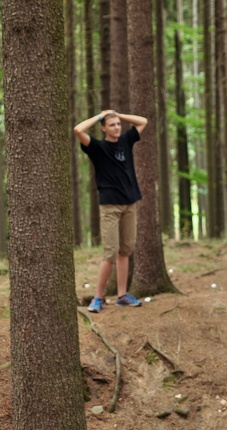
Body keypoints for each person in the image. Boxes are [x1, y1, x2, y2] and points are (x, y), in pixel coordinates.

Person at [74, 109, 148, 312]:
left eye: (118, 124)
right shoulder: (97, 147)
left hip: (130, 203)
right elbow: (78, 130)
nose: (116, 127)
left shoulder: (126, 140)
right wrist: (100, 116)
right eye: (112, 125)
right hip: (110, 205)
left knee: (125, 250)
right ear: (104, 128)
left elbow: (143, 121)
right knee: (110, 253)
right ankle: (98, 298)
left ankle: (122, 295)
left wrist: (119, 115)